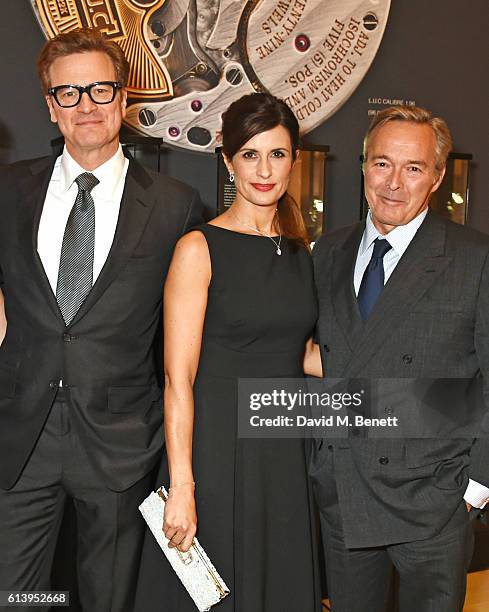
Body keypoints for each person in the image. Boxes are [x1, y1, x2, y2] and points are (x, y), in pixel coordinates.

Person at [0, 28, 202, 611]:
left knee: (107, 601)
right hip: (21, 438)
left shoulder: (174, 204)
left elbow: (181, 338)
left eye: (100, 88)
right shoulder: (8, 191)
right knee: (18, 597)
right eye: (68, 92)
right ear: (49, 106)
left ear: (124, 97)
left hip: (119, 444)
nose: (86, 104)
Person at [135, 92, 322, 611]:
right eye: (250, 154)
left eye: (278, 154)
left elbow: (301, 353)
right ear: (227, 159)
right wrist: (183, 485)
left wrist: (394, 372)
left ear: (294, 159)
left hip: (283, 449)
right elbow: (178, 377)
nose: (264, 170)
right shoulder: (199, 248)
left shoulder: (302, 252)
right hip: (214, 451)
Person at [309, 105, 489, 611]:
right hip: (343, 491)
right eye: (382, 163)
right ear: (364, 166)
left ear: (435, 178)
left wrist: (474, 490)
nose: (393, 183)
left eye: (413, 168)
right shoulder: (328, 252)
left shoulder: (474, 259)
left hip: (433, 501)